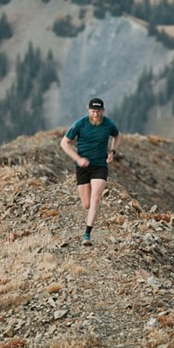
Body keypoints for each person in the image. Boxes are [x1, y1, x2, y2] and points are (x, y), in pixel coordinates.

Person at [60, 98, 121, 245]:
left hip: (100, 165)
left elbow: (117, 136)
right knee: (86, 204)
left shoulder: (109, 124)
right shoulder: (80, 123)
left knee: (95, 199)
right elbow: (64, 143)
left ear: (103, 111)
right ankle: (88, 224)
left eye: (98, 111)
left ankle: (87, 235)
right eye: (93, 111)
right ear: (88, 110)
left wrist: (112, 151)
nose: (96, 114)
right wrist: (78, 159)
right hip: (82, 167)